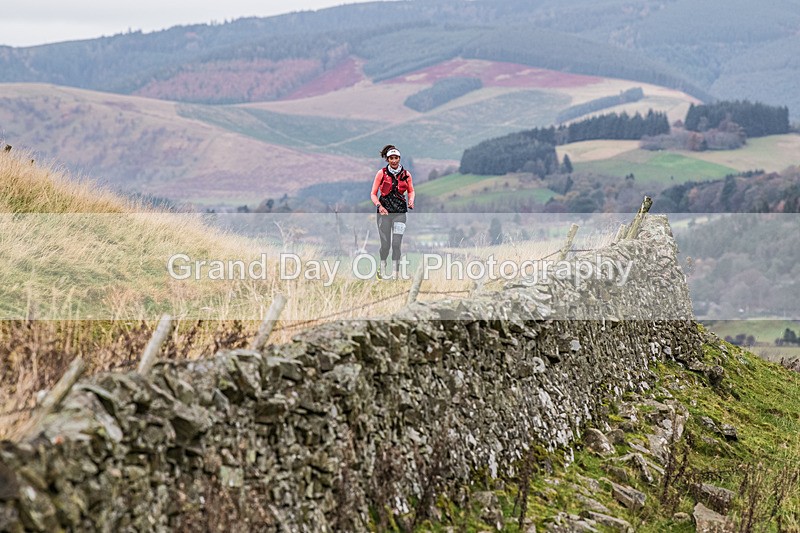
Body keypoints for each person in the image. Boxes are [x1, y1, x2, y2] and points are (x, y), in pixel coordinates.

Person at [370, 144, 415, 279]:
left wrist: (411, 200)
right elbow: (373, 194)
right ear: (387, 159)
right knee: (385, 245)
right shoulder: (381, 173)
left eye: (396, 158)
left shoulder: (406, 174)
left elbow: (411, 190)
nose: (394, 161)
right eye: (391, 158)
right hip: (384, 213)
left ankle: (396, 274)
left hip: (400, 213)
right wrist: (379, 206)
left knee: (396, 244)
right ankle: (382, 266)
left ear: (399, 159)